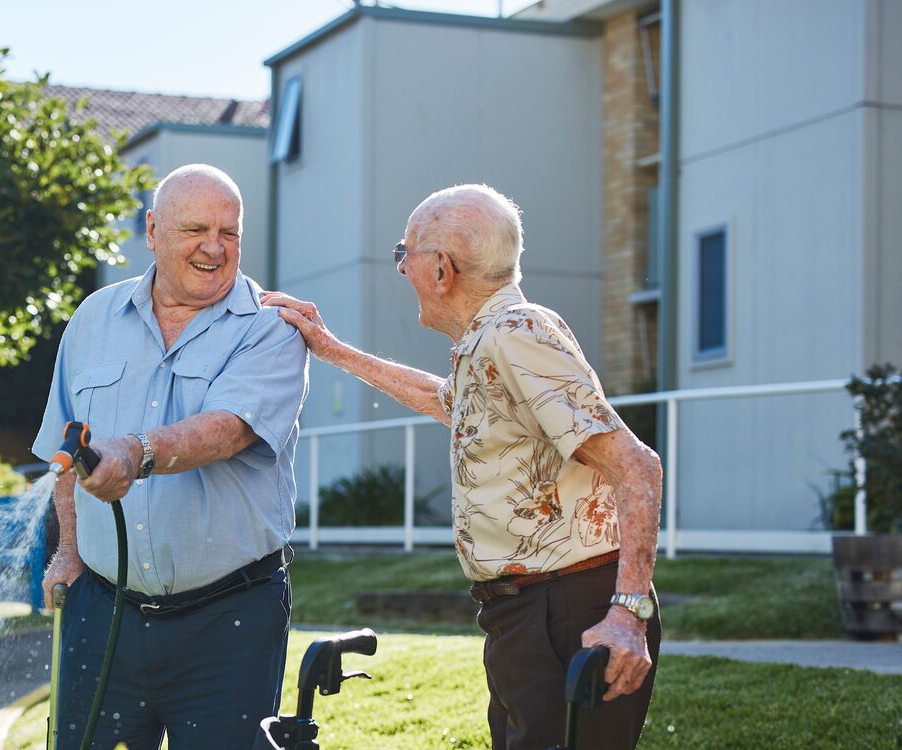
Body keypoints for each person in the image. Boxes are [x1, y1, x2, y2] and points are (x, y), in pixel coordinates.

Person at [262, 184, 662, 749]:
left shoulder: (515, 336)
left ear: (442, 269)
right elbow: (445, 401)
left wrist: (628, 612)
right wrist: (330, 349)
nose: (402, 271)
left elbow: (637, 466)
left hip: (569, 610)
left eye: (406, 257)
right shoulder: (492, 342)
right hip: (531, 612)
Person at [33, 163, 309, 749]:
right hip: (102, 610)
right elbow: (68, 442)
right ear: (153, 229)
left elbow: (228, 431)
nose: (214, 247)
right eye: (195, 230)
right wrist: (68, 551)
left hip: (228, 620)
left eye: (229, 232)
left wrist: (137, 452)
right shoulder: (92, 321)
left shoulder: (272, 328)